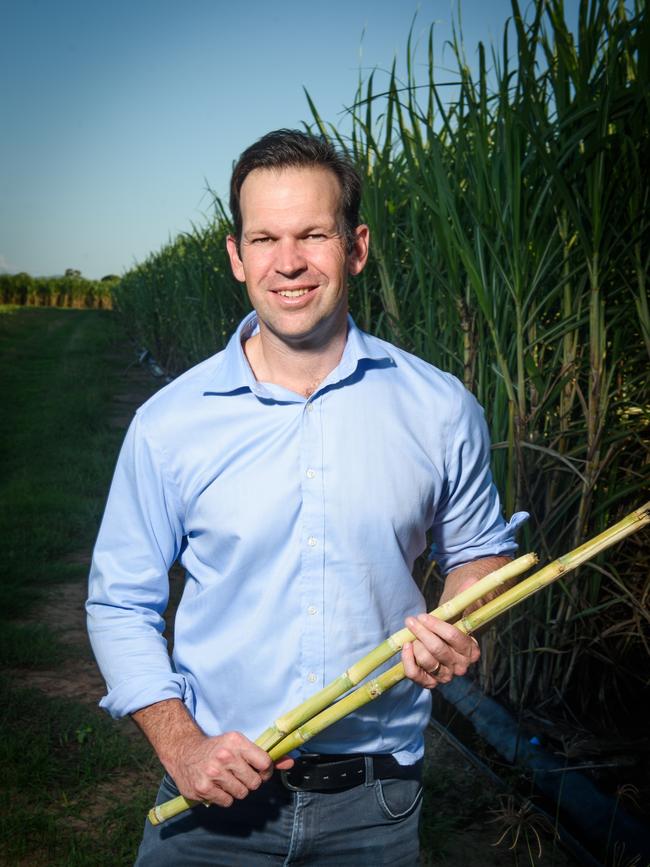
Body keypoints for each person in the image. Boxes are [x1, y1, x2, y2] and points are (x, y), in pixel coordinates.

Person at [87, 129, 526, 866]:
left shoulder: (439, 407)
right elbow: (117, 602)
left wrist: (459, 617)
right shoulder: (170, 423)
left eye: (311, 234)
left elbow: (478, 553)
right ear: (236, 256)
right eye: (264, 238)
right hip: (211, 801)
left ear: (355, 247)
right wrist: (184, 746)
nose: (287, 261)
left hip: (375, 805)